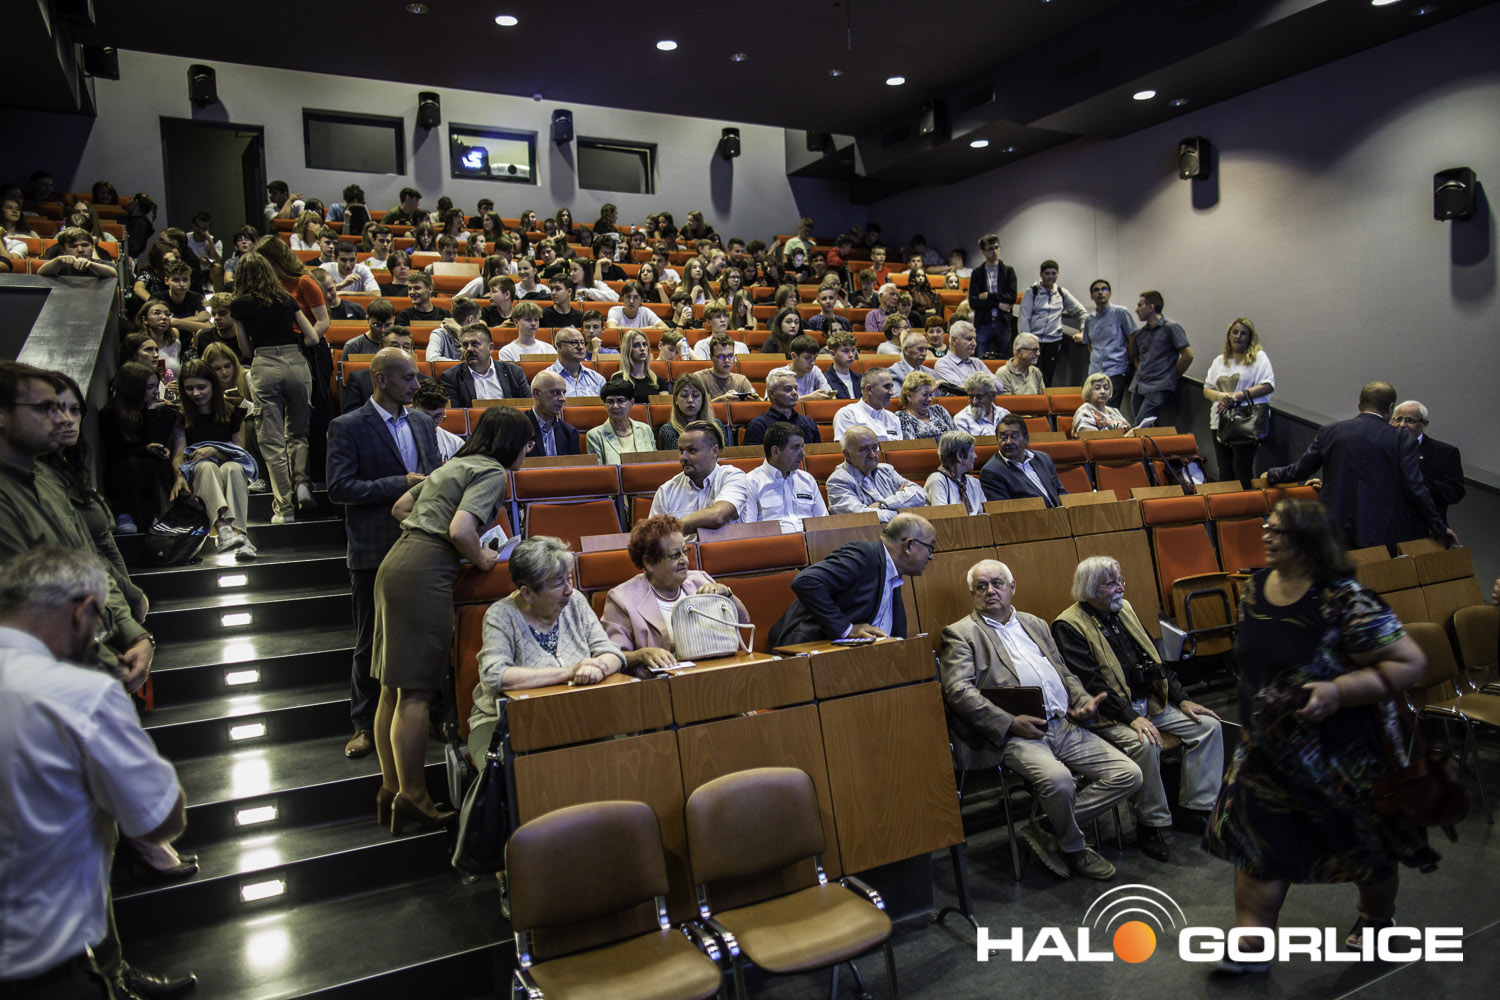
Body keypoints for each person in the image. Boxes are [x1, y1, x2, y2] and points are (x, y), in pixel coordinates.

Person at [1203, 499, 1437, 972]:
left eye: (1279, 530)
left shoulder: (1345, 598)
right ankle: (1253, 940)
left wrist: (1339, 690)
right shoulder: (1254, 589)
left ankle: (1376, 917)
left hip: (1343, 756)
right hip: (1267, 752)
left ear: (1308, 539)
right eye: (1267, 527)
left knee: (1365, 846)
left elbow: (1410, 662)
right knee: (1258, 843)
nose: (1266, 536)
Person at [0, 547, 193, 1000]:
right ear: (82, 611)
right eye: (99, 625)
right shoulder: (81, 694)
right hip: (39, 971)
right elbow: (160, 820)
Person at [374, 407, 531, 832]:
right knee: (416, 692)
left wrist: (431, 531)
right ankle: (414, 797)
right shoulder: (491, 471)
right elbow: (462, 530)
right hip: (425, 572)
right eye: (527, 442)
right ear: (511, 442)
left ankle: (391, 788)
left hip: (398, 561)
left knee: (392, 687)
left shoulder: (456, 463)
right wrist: (482, 558)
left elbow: (401, 507)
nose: (529, 449)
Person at [938, 559, 1139, 880]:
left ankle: (1046, 827)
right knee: (1060, 781)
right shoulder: (961, 634)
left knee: (1128, 774)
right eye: (981, 586)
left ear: (1012, 588)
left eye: (997, 584)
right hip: (1016, 735)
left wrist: (1081, 700)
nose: (990, 591)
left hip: (1063, 724)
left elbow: (1064, 672)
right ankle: (1074, 848)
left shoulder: (1035, 624)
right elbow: (958, 691)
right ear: (973, 594)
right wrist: (1009, 723)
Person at [1053, 556, 1224, 861]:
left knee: (1208, 726)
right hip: (1109, 714)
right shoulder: (1069, 625)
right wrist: (1132, 718)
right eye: (1112, 584)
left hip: (1150, 703)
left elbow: (1155, 660)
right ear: (1091, 589)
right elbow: (1091, 684)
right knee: (1146, 743)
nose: (1121, 588)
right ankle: (1150, 825)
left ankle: (1192, 809)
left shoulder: (1124, 609)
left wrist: (1182, 698)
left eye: (1120, 581)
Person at [327, 348, 441, 759]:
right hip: (374, 546)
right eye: (408, 377)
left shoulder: (423, 422)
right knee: (369, 640)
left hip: (422, 544)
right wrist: (400, 483)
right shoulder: (347, 426)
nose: (416, 384)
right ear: (380, 379)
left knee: (426, 635)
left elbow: (434, 478)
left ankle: (428, 716)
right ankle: (363, 723)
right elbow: (339, 488)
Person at [466, 536, 625, 762]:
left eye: (569, 578)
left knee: (618, 758)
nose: (569, 590)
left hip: (577, 712)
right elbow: (496, 676)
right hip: (504, 720)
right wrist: (570, 672)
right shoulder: (501, 615)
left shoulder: (575, 601)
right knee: (519, 771)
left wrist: (598, 668)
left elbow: (611, 653)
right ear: (528, 593)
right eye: (559, 583)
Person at [1266, 382, 1455, 551]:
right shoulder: (1402, 439)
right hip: (1379, 533)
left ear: (1359, 404)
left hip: (1333, 528)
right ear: (1390, 408)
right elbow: (1415, 488)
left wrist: (1272, 474)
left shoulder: (1330, 432)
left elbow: (1300, 470)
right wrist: (1439, 527)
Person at [229, 251, 320, 523]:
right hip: (295, 362)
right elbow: (312, 337)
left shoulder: (239, 305)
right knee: (298, 434)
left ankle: (284, 508)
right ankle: (301, 483)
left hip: (265, 363)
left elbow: (245, 349)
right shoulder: (285, 298)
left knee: (272, 441)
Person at [600, 515, 751, 672]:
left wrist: (727, 594)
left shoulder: (700, 580)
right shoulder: (622, 599)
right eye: (675, 555)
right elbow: (613, 655)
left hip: (715, 672)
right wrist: (640, 655)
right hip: (661, 681)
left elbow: (743, 623)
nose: (684, 560)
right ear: (649, 562)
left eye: (684, 551)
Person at [768, 513, 937, 646]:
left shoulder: (893, 573)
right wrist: (846, 629)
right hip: (814, 651)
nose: (931, 557)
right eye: (930, 548)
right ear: (908, 545)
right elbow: (806, 581)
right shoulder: (864, 555)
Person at [171, 360, 256, 557]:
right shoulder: (181, 415)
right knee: (206, 467)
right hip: (198, 470)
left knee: (233, 468)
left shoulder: (232, 411)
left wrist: (215, 451)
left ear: (213, 385)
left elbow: (239, 453)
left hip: (228, 466)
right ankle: (223, 528)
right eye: (190, 388)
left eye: (201, 387)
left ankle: (240, 535)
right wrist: (179, 476)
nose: (196, 393)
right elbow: (179, 453)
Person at [97, 362, 180, 535]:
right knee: (133, 463)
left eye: (155, 386)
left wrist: (151, 413)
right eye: (149, 387)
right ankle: (125, 514)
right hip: (125, 467)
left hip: (151, 466)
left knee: (154, 461)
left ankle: (159, 515)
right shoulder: (110, 413)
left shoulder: (159, 410)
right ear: (134, 389)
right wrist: (145, 448)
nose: (155, 391)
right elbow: (115, 451)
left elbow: (158, 440)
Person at [1200, 317, 1277, 487]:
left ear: (1250, 337)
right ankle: (1226, 502)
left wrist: (1236, 396)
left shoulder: (1258, 358)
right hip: (1219, 421)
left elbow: (1267, 385)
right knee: (1224, 469)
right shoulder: (1219, 361)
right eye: (1235, 332)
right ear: (1229, 336)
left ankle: (1246, 502)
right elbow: (1207, 389)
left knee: (1242, 468)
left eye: (1243, 333)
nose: (1238, 336)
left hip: (1245, 421)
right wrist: (1222, 397)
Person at [649, 421, 748, 537]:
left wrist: (670, 529)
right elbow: (654, 537)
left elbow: (717, 516)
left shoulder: (733, 477)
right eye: (681, 450)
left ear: (714, 451)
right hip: (681, 549)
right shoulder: (666, 491)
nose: (683, 457)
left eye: (692, 450)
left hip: (725, 547)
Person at [827, 425, 928, 521]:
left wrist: (883, 504)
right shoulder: (838, 481)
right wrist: (904, 508)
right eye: (864, 449)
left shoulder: (887, 470)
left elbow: (920, 494)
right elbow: (860, 517)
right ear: (847, 454)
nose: (872, 454)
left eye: (874, 448)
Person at [742, 422, 828, 532]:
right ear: (775, 451)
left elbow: (823, 522)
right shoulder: (751, 482)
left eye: (802, 447)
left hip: (812, 540)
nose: (803, 454)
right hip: (775, 541)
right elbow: (748, 529)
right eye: (796, 448)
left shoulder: (807, 479)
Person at [1391, 400, 1466, 523]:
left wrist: (1415, 480)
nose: (1402, 425)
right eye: (1398, 419)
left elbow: (1455, 492)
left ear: (1424, 424)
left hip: (1423, 525)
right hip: (1387, 523)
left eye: (1409, 420)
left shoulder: (1444, 453)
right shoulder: (1383, 447)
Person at [1127, 291, 1193, 427]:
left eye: (1140, 305)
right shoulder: (1141, 333)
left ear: (1151, 307)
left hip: (1158, 386)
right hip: (1138, 386)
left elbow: (1188, 355)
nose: (1136, 310)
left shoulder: (1171, 328)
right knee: (1143, 428)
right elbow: (1135, 357)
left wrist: (1172, 376)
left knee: (1139, 426)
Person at [1018, 260, 1088, 384]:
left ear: (1058, 274)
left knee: (1048, 377)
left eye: (1053, 273)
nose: (1050, 277)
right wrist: (1026, 342)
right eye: (1047, 273)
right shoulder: (1032, 292)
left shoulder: (1061, 293)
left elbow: (1082, 312)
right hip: (1034, 342)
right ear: (1041, 274)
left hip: (1053, 342)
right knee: (1031, 376)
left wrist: (1083, 331)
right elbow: (1024, 317)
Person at [980, 414, 1067, 506]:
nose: (1008, 442)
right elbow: (1005, 510)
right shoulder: (992, 472)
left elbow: (1061, 492)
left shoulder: (1043, 459)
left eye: (1014, 436)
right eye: (1003, 437)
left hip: (1059, 513)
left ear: (1026, 439)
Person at [440, 324, 529, 407]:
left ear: (490, 348)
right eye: (465, 345)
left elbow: (528, 406)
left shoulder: (514, 372)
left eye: (475, 344)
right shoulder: (451, 378)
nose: (469, 349)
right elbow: (456, 413)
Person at [1079, 279, 1136, 408]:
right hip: (1095, 371)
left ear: (1110, 293)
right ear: (1091, 296)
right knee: (1093, 407)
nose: (1100, 292)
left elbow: (1132, 338)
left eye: (1104, 289)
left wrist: (1129, 360)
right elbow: (1089, 344)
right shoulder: (1089, 319)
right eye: (1096, 290)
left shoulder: (1121, 313)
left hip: (1115, 369)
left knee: (1109, 408)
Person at [341, 325, 415, 415]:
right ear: (381, 349)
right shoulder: (359, 379)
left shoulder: (422, 380)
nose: (401, 351)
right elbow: (351, 417)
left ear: (412, 351)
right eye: (395, 346)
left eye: (406, 347)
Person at [968, 234, 1018, 359]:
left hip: (1003, 321)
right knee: (980, 359)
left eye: (996, 247)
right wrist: (998, 304)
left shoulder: (1008, 271)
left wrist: (989, 295)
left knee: (1005, 359)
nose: (994, 252)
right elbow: (974, 302)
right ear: (983, 252)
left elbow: (1012, 297)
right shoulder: (977, 273)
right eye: (990, 249)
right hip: (984, 322)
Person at [586, 378, 656, 464]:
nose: (615, 406)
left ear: (632, 403)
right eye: (610, 401)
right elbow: (598, 470)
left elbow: (654, 463)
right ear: (604, 405)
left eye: (621, 400)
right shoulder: (595, 436)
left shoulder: (645, 430)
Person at [741, 371, 819, 447]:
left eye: (795, 388)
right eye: (788, 389)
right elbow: (755, 455)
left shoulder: (809, 423)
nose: (795, 393)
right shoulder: (758, 425)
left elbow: (817, 453)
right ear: (772, 394)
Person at [657, 373, 727, 450]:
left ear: (703, 399)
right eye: (684, 395)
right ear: (676, 400)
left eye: (695, 395)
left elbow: (725, 454)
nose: (690, 400)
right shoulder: (668, 431)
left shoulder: (717, 426)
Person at [924, 430, 987, 514]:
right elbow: (943, 516)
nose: (975, 456)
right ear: (959, 456)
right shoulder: (937, 481)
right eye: (972, 451)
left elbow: (983, 514)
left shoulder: (974, 482)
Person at [832, 367, 901, 442]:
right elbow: (845, 448)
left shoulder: (893, 419)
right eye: (886, 387)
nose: (892, 392)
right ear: (869, 389)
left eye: (891, 387)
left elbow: (899, 448)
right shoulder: (847, 415)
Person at [526, 371, 581, 456]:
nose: (563, 398)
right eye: (555, 392)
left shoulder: (570, 433)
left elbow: (575, 464)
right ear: (536, 394)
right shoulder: (517, 428)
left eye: (564, 393)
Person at [36, 227, 115, 279]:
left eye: (85, 245)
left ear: (92, 247)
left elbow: (113, 273)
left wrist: (91, 265)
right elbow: (41, 273)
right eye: (73, 246)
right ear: (63, 250)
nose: (80, 250)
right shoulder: (59, 266)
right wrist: (58, 260)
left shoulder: (101, 264)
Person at [547, 327, 606, 397]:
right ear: (559, 346)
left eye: (582, 343)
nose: (580, 347)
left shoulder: (597, 379)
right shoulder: (547, 379)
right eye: (574, 343)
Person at [897, 371, 956, 441]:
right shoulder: (902, 418)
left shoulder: (939, 410)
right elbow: (912, 445)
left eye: (930, 394)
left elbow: (957, 436)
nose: (929, 399)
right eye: (925, 395)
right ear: (909, 396)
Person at [699, 334, 757, 403]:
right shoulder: (699, 379)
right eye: (721, 357)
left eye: (730, 356)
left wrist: (757, 400)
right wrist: (720, 400)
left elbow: (758, 403)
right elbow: (695, 407)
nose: (727, 360)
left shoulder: (741, 380)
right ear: (711, 357)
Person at [614, 328, 668, 402]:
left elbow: (665, 407)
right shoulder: (618, 379)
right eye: (636, 345)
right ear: (627, 349)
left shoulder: (658, 381)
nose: (642, 348)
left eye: (644, 344)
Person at [1072, 372, 1134, 437]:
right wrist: (1125, 437)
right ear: (1089, 391)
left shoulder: (1114, 410)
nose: (1103, 391)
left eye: (1106, 388)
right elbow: (1092, 439)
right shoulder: (1084, 412)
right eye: (1097, 388)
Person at [954, 372, 1009, 438]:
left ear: (992, 395)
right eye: (971, 396)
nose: (974, 401)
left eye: (979, 396)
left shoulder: (1004, 414)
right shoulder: (961, 420)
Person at [934, 321, 986, 388]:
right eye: (969, 339)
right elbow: (961, 390)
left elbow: (997, 385)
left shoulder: (977, 362)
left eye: (974, 339)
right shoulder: (943, 364)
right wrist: (985, 385)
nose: (974, 344)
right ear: (954, 340)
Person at [824, 330, 862, 399]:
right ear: (833, 354)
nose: (851, 355)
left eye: (853, 350)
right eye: (845, 351)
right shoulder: (824, 380)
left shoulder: (861, 379)